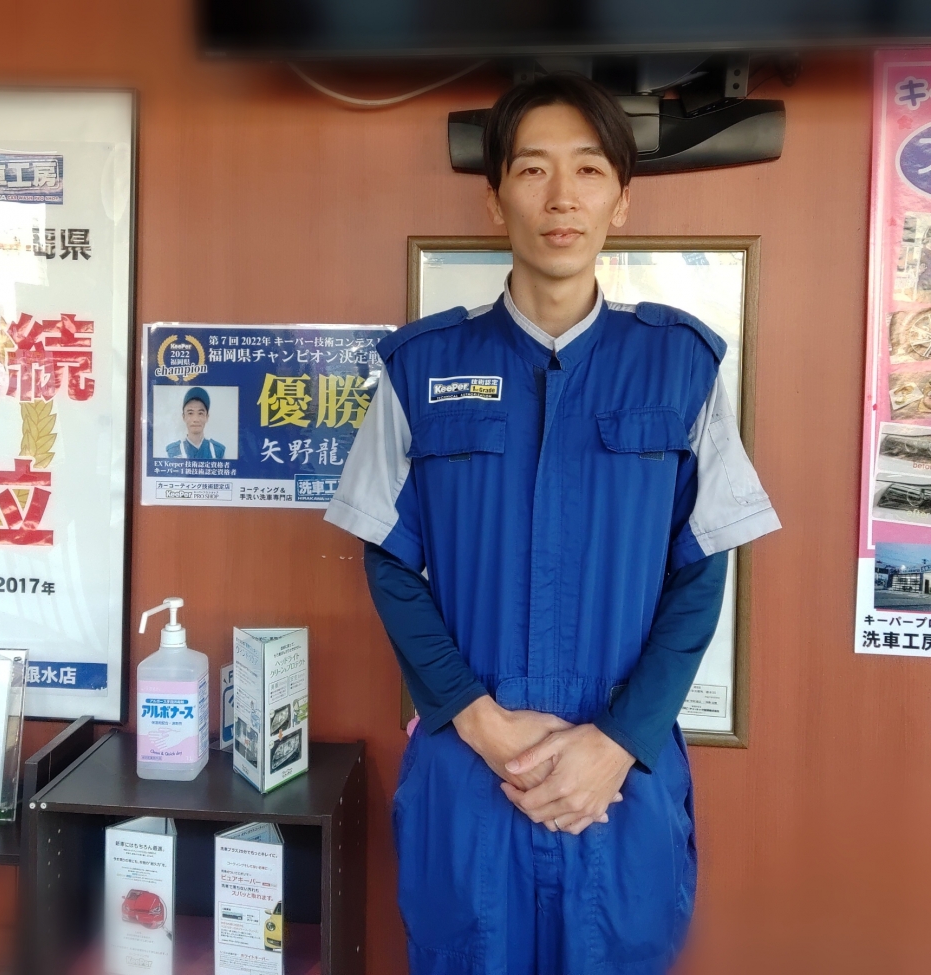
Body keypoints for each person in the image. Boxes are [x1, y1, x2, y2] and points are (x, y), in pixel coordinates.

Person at [325, 74, 780, 975]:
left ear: (622, 199)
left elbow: (702, 572)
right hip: (472, 774)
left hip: (619, 780)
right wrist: (478, 719)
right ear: (496, 199)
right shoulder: (421, 369)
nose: (562, 197)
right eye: (533, 169)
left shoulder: (681, 366)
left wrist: (618, 741)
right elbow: (388, 562)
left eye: (589, 170)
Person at [165, 387, 226, 459]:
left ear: (207, 417)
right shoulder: (172, 452)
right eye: (190, 413)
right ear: (183, 417)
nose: (195, 419)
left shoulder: (218, 452)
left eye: (200, 413)